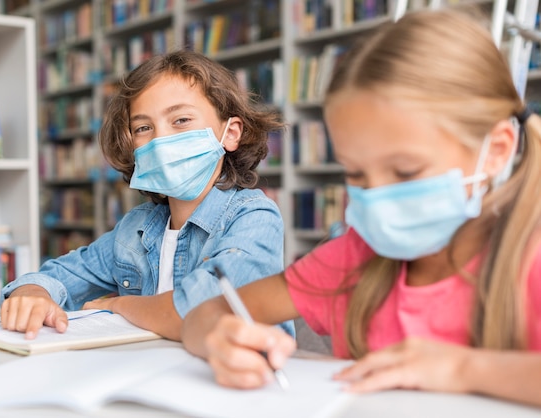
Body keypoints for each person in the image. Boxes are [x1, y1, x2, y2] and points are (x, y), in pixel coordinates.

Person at [181, 8, 541, 407]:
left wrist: (462, 369)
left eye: (405, 171)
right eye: (356, 174)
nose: (377, 196)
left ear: (497, 151)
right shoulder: (355, 258)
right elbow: (205, 314)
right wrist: (218, 337)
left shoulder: (530, 257)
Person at [0, 49, 294, 341]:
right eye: (143, 127)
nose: (161, 139)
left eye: (181, 120)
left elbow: (200, 311)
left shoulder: (254, 216)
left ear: (230, 133)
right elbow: (60, 275)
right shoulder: (136, 228)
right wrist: (31, 294)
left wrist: (117, 304)